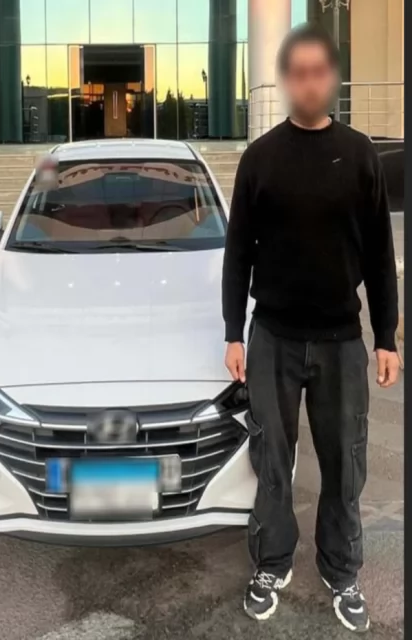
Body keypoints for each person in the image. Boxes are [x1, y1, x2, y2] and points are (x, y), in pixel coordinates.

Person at [222, 23, 399, 634]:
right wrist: (234, 332)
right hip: (272, 337)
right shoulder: (260, 158)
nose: (308, 82)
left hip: (341, 341)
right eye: (297, 72)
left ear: (333, 79)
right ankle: (271, 564)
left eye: (318, 71)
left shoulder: (361, 156)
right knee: (272, 460)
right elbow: (237, 253)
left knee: (345, 463)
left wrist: (386, 336)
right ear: (285, 81)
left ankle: (341, 569)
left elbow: (379, 255)